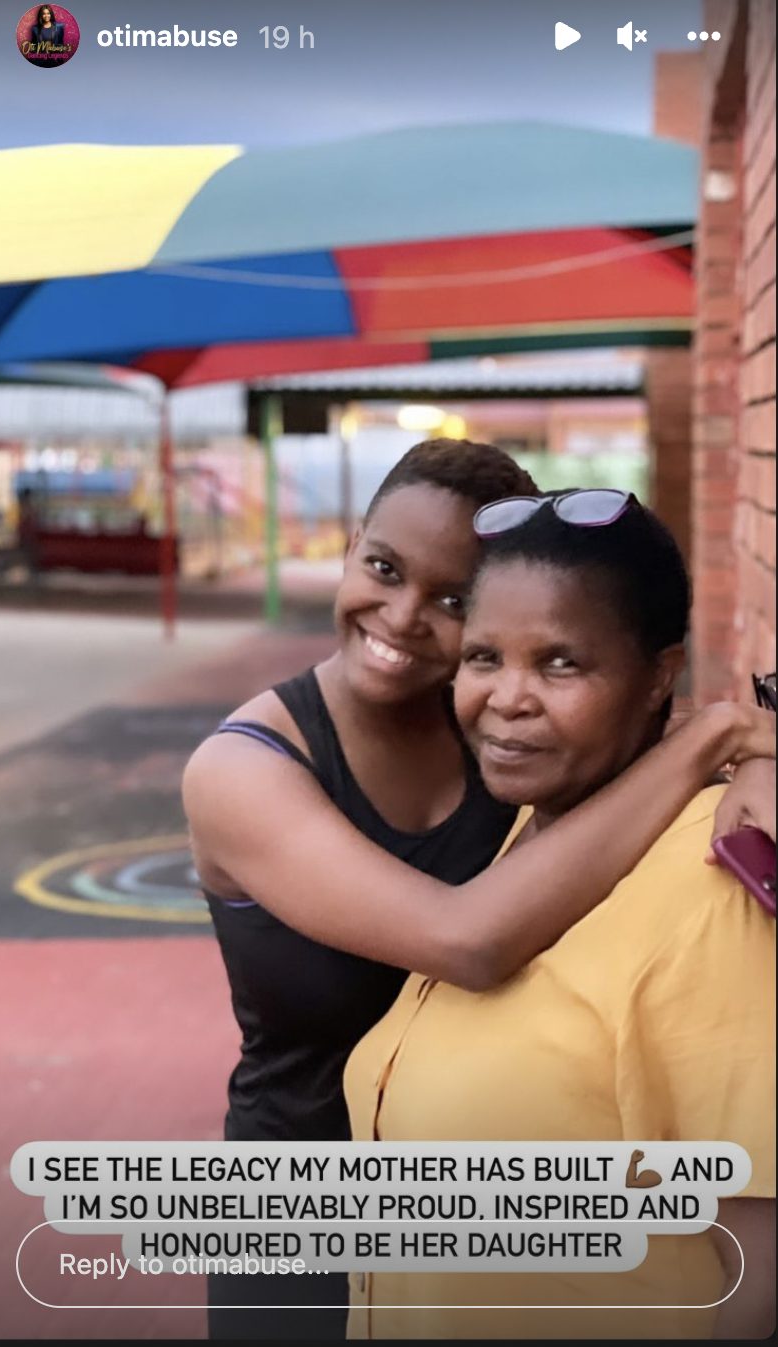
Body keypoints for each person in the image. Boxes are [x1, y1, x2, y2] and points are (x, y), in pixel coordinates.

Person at [184, 443, 775, 1342]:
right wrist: (721, 737)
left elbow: (627, 718)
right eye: (382, 567)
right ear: (350, 548)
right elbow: (467, 936)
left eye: (453, 601)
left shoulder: (509, 747)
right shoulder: (245, 768)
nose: (404, 615)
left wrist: (752, 751)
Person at [344, 489, 776, 1341]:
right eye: (482, 657)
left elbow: (758, 1281)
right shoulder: (536, 831)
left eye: (560, 664)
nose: (506, 698)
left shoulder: (709, 889)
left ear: (658, 674)